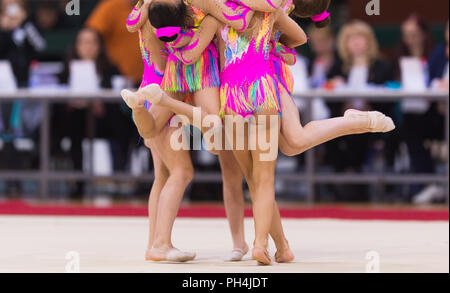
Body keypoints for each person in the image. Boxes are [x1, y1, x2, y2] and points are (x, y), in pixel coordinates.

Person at [121, 0, 197, 262]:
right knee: (182, 171)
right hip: (165, 91)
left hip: (150, 86)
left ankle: (154, 243)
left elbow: (132, 25)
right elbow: (162, 63)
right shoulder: (159, 10)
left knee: (162, 176)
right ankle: (161, 243)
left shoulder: (144, 10)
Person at [412, 21, 449, 204]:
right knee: (412, 127)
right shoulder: (440, 51)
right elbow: (429, 80)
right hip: (440, 113)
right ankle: (428, 183)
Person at [86, 0, 144, 85]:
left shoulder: (157, 6)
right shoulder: (111, 6)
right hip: (117, 81)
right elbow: (90, 34)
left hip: (156, 80)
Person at [0, 0, 46, 87]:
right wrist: (2, 29)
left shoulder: (30, 21)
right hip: (2, 80)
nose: (11, 3)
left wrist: (24, 22)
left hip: (29, 78)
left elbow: (40, 46)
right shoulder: (2, 24)